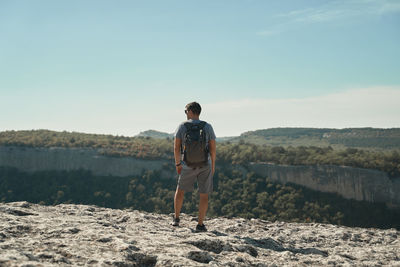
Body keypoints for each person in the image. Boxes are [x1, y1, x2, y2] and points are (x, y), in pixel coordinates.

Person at [172, 101, 216, 232]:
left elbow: (176, 147)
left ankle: (176, 219)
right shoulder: (208, 127)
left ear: (191, 111)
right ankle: (200, 224)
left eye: (186, 111)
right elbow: (213, 149)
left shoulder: (182, 126)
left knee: (180, 191)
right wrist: (212, 165)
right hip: (204, 165)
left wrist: (178, 163)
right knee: (204, 195)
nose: (185, 114)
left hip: (187, 164)